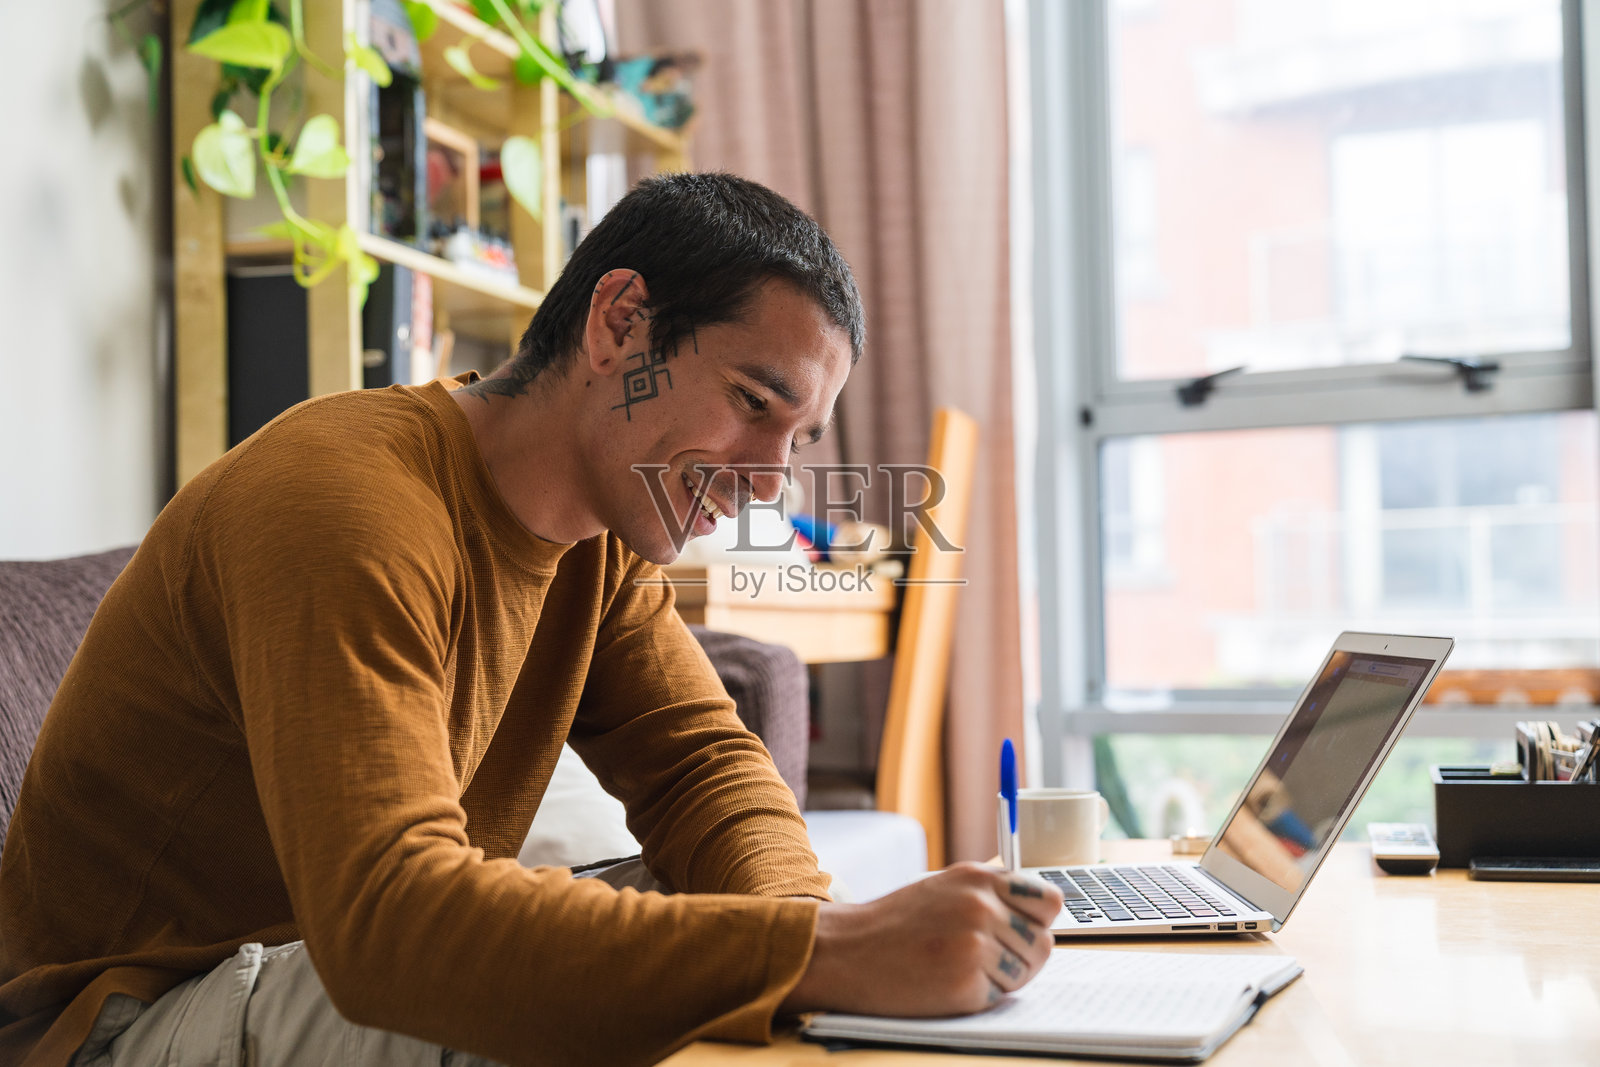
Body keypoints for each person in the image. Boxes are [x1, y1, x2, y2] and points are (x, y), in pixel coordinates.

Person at [0, 173, 1063, 1067]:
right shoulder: (341, 498)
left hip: (313, 971)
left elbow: (701, 769)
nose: (765, 479)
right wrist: (828, 956)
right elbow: (393, 928)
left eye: (798, 437)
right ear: (619, 324)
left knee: (720, 932)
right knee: (632, 986)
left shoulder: (599, 539)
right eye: (751, 401)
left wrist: (824, 938)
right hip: (122, 1018)